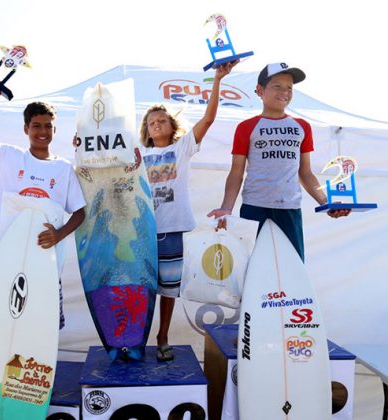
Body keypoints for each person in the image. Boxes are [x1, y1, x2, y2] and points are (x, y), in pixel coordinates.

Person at [0, 82, 86, 329]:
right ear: (26, 128)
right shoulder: (9, 156)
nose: (42, 131)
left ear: (54, 130)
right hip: (8, 259)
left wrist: (58, 234)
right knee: (8, 322)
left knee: (44, 327)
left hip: (45, 264)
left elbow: (79, 212)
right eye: (36, 125)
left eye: (48, 126)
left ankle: (41, 368)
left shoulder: (63, 169)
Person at [139, 61, 237, 361]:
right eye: (151, 121)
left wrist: (218, 80)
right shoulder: (137, 153)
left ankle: (163, 336)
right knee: (141, 291)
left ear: (172, 126)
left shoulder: (182, 149)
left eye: (161, 119)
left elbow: (207, 119)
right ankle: (136, 338)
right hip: (142, 231)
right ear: (145, 129)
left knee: (168, 291)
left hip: (173, 230)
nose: (156, 123)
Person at [207, 62, 350, 261]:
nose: (285, 92)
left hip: (289, 209)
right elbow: (236, 172)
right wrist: (226, 209)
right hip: (254, 207)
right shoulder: (246, 127)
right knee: (252, 268)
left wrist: (326, 203)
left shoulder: (302, 126)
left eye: (289, 88)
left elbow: (305, 173)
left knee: (293, 268)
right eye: (277, 86)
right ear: (260, 90)